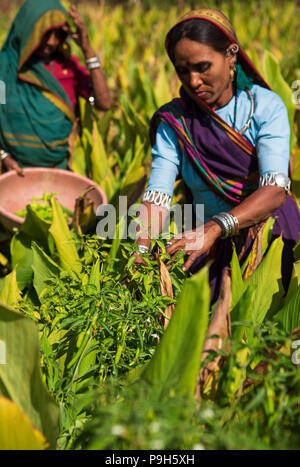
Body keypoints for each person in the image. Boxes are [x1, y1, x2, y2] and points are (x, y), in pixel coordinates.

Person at [134, 8, 300, 304]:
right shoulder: (175, 122)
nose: (193, 81)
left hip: (267, 235)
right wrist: (141, 251)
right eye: (183, 71)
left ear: (231, 55)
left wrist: (216, 227)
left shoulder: (265, 107)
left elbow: (275, 190)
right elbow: (157, 197)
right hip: (203, 243)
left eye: (202, 67)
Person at [0, 0, 111, 176]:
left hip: (61, 169)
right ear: (27, 28)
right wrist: (3, 155)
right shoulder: (4, 71)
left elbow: (104, 103)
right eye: (44, 33)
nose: (52, 42)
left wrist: (87, 49)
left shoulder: (67, 68)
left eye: (58, 34)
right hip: (14, 171)